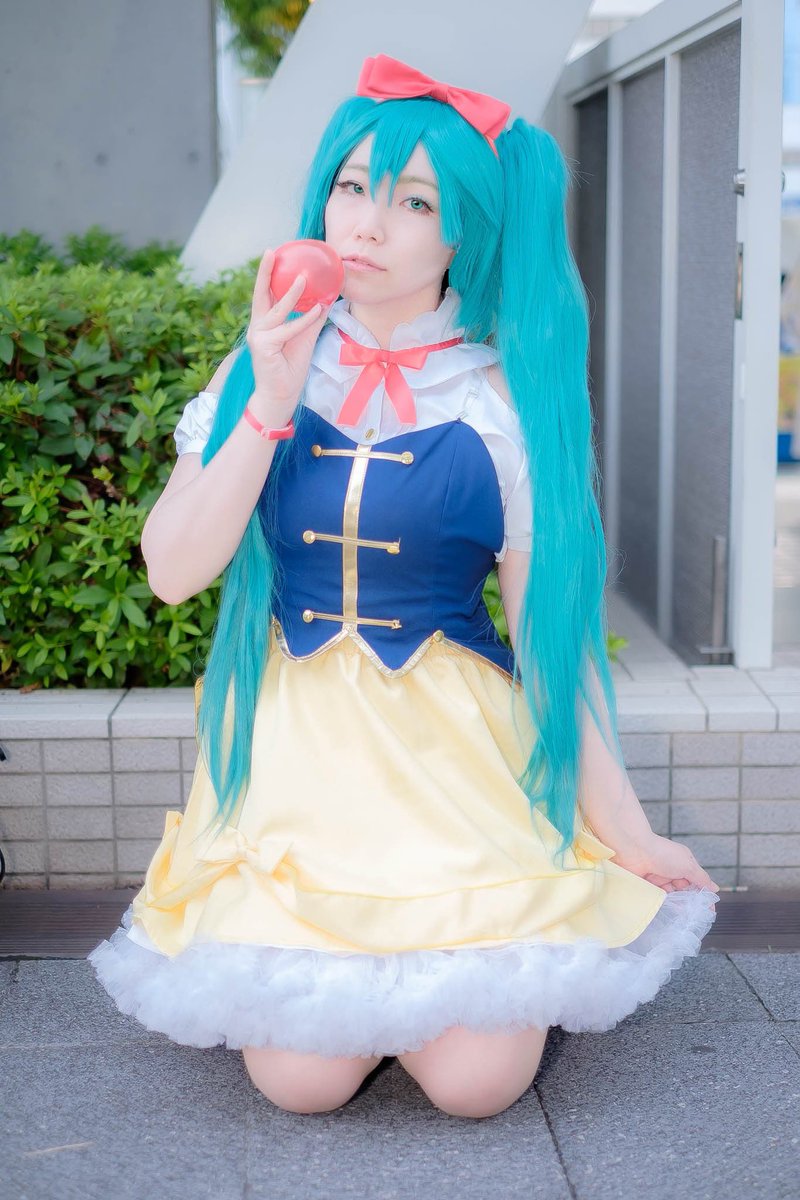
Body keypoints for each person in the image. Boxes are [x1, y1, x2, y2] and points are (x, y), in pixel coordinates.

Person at [88, 53, 720, 1120]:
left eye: (413, 202)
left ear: (463, 234)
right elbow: (172, 572)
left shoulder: (501, 403)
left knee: (479, 1086)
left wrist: (631, 833)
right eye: (351, 187)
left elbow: (547, 646)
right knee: (300, 1083)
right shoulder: (259, 366)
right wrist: (269, 400)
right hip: (297, 764)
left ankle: (441, 981)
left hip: (451, 763)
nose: (367, 225)